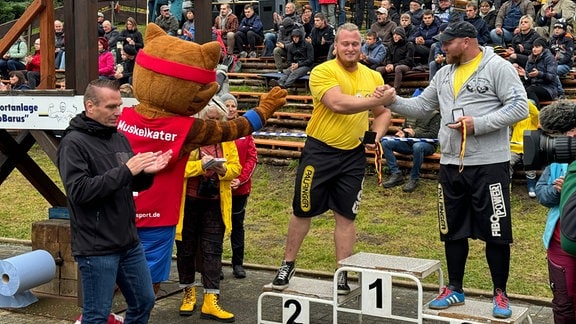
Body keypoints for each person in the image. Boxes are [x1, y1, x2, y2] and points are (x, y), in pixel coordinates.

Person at [387, 21, 529, 318]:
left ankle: (500, 293)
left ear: (466, 41)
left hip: (489, 164)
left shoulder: (497, 67)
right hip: (451, 163)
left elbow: (520, 108)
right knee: (451, 230)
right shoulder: (443, 73)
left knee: (496, 232)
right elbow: (422, 108)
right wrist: (391, 100)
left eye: (447, 42)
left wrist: (478, 125)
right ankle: (455, 288)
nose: (442, 47)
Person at [270, 23, 396, 295]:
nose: (351, 48)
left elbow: (383, 113)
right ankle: (287, 263)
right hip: (320, 150)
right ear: (335, 47)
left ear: (361, 46)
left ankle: (342, 272)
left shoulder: (372, 75)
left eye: (355, 44)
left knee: (346, 215)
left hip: (352, 155)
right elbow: (338, 104)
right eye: (345, 44)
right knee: (302, 210)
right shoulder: (323, 71)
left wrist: (376, 135)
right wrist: (374, 100)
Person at [57, 79, 172, 323]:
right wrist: (126, 171)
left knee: (144, 301)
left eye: (119, 105)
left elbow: (129, 183)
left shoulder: (118, 138)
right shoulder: (73, 143)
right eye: (111, 107)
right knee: (97, 315)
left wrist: (148, 173)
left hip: (128, 241)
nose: (118, 112)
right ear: (90, 106)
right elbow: (79, 191)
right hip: (97, 247)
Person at [176, 98, 240, 322]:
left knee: (213, 251)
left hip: (215, 203)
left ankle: (211, 300)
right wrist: (200, 166)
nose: (213, 123)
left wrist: (222, 169)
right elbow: (177, 168)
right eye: (208, 119)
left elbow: (236, 167)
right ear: (200, 119)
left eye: (217, 119)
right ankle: (188, 293)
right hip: (188, 202)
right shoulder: (189, 138)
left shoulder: (227, 139)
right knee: (185, 250)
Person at [535, 101, 576, 323]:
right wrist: (557, 191)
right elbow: (541, 193)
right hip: (560, 242)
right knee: (563, 302)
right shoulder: (558, 159)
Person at [222, 92, 258, 279]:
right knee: (216, 227)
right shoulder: (216, 128)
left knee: (237, 226)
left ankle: (238, 264)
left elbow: (252, 158)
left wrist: (240, 179)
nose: (230, 108)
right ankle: (215, 265)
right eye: (226, 105)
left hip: (240, 189)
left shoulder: (244, 129)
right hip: (218, 189)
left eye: (233, 105)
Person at [381, 111, 440, 192]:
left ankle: (414, 178)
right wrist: (402, 133)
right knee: (386, 143)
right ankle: (396, 174)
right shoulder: (410, 112)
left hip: (428, 145)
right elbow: (405, 129)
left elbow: (433, 135)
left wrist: (415, 134)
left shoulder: (434, 115)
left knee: (418, 146)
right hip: (409, 143)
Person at [514, 38, 559, 108]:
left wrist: (539, 74)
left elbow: (551, 77)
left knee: (530, 90)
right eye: (533, 47)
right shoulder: (530, 58)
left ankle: (537, 113)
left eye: (537, 47)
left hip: (548, 89)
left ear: (543, 48)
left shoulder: (549, 58)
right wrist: (524, 75)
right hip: (534, 87)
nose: (534, 49)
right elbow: (528, 79)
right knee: (518, 90)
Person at [509, 101, 539, 197]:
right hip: (514, 148)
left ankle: (531, 185)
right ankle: (507, 184)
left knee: (530, 165)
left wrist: (524, 100)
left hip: (529, 148)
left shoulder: (534, 120)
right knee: (508, 163)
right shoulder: (517, 119)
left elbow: (535, 113)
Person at [378, 27, 415, 91]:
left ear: (402, 36)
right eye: (394, 34)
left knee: (398, 68)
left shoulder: (409, 45)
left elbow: (408, 60)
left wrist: (394, 65)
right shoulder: (391, 44)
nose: (395, 36)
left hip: (406, 66)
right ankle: (380, 88)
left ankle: (395, 90)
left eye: (397, 35)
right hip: (392, 65)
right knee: (379, 69)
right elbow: (388, 57)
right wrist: (389, 64)